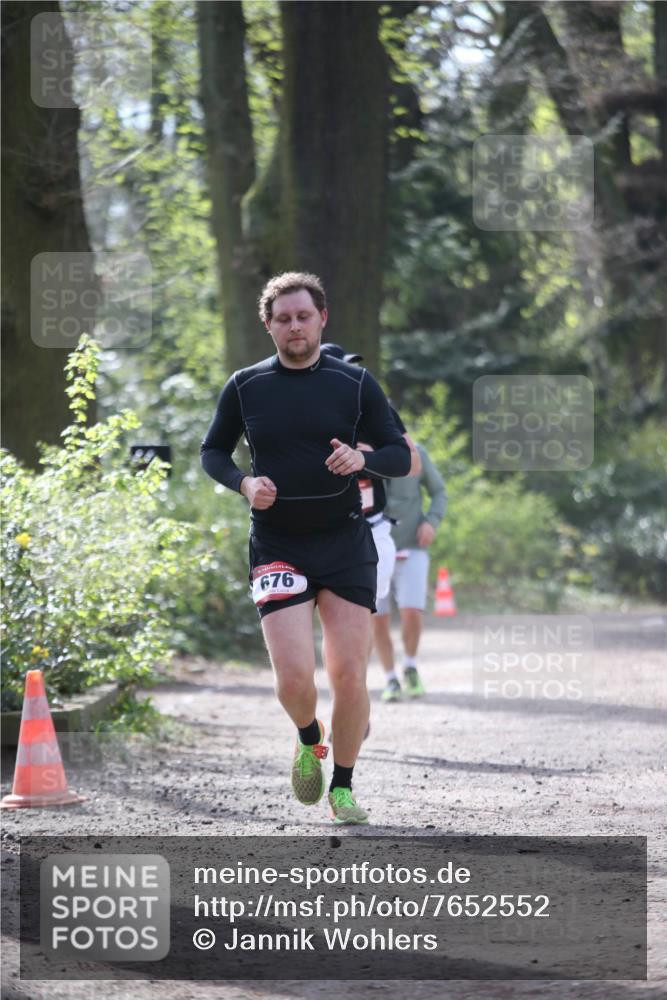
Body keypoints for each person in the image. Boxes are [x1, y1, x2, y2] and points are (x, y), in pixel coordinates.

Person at [200, 272, 411, 825]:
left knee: (348, 674)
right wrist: (244, 483)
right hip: (278, 544)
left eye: (303, 315)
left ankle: (342, 786)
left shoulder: (355, 383)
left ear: (323, 318)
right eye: (283, 318)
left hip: (345, 541)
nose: (294, 326)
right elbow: (212, 452)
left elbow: (398, 453)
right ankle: (308, 735)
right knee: (294, 679)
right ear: (267, 325)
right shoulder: (245, 386)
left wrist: (363, 459)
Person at [373, 443, 446, 701]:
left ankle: (411, 666)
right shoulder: (356, 454)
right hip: (371, 549)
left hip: (411, 545)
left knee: (412, 611)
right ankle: (390, 678)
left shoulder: (416, 452)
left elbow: (439, 492)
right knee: (378, 618)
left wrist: (432, 521)